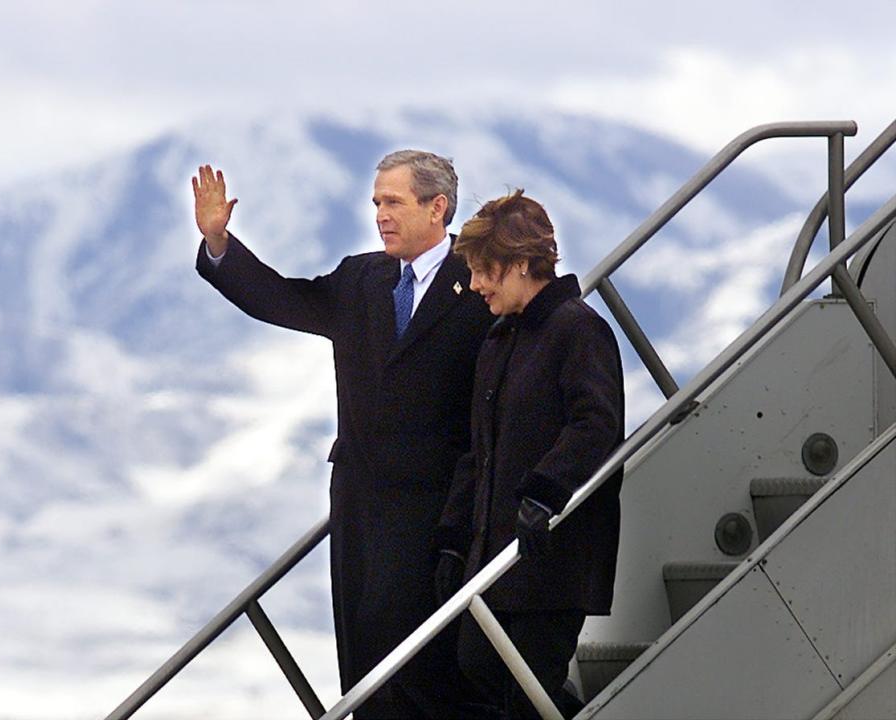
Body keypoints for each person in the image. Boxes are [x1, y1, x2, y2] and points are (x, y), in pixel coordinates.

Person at [193, 151, 493, 718]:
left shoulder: (477, 282)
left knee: (420, 662)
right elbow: (284, 299)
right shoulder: (362, 277)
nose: (381, 214)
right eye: (377, 202)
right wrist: (219, 245)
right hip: (360, 503)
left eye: (394, 202)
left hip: (438, 509)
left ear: (438, 208)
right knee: (363, 659)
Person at [435, 189, 625, 719]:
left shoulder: (578, 328)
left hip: (551, 558)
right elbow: (480, 449)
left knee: (529, 697)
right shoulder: (499, 340)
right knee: (478, 670)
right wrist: (454, 539)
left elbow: (596, 422)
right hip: (494, 559)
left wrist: (545, 491)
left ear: (521, 264)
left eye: (483, 271)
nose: (474, 285)